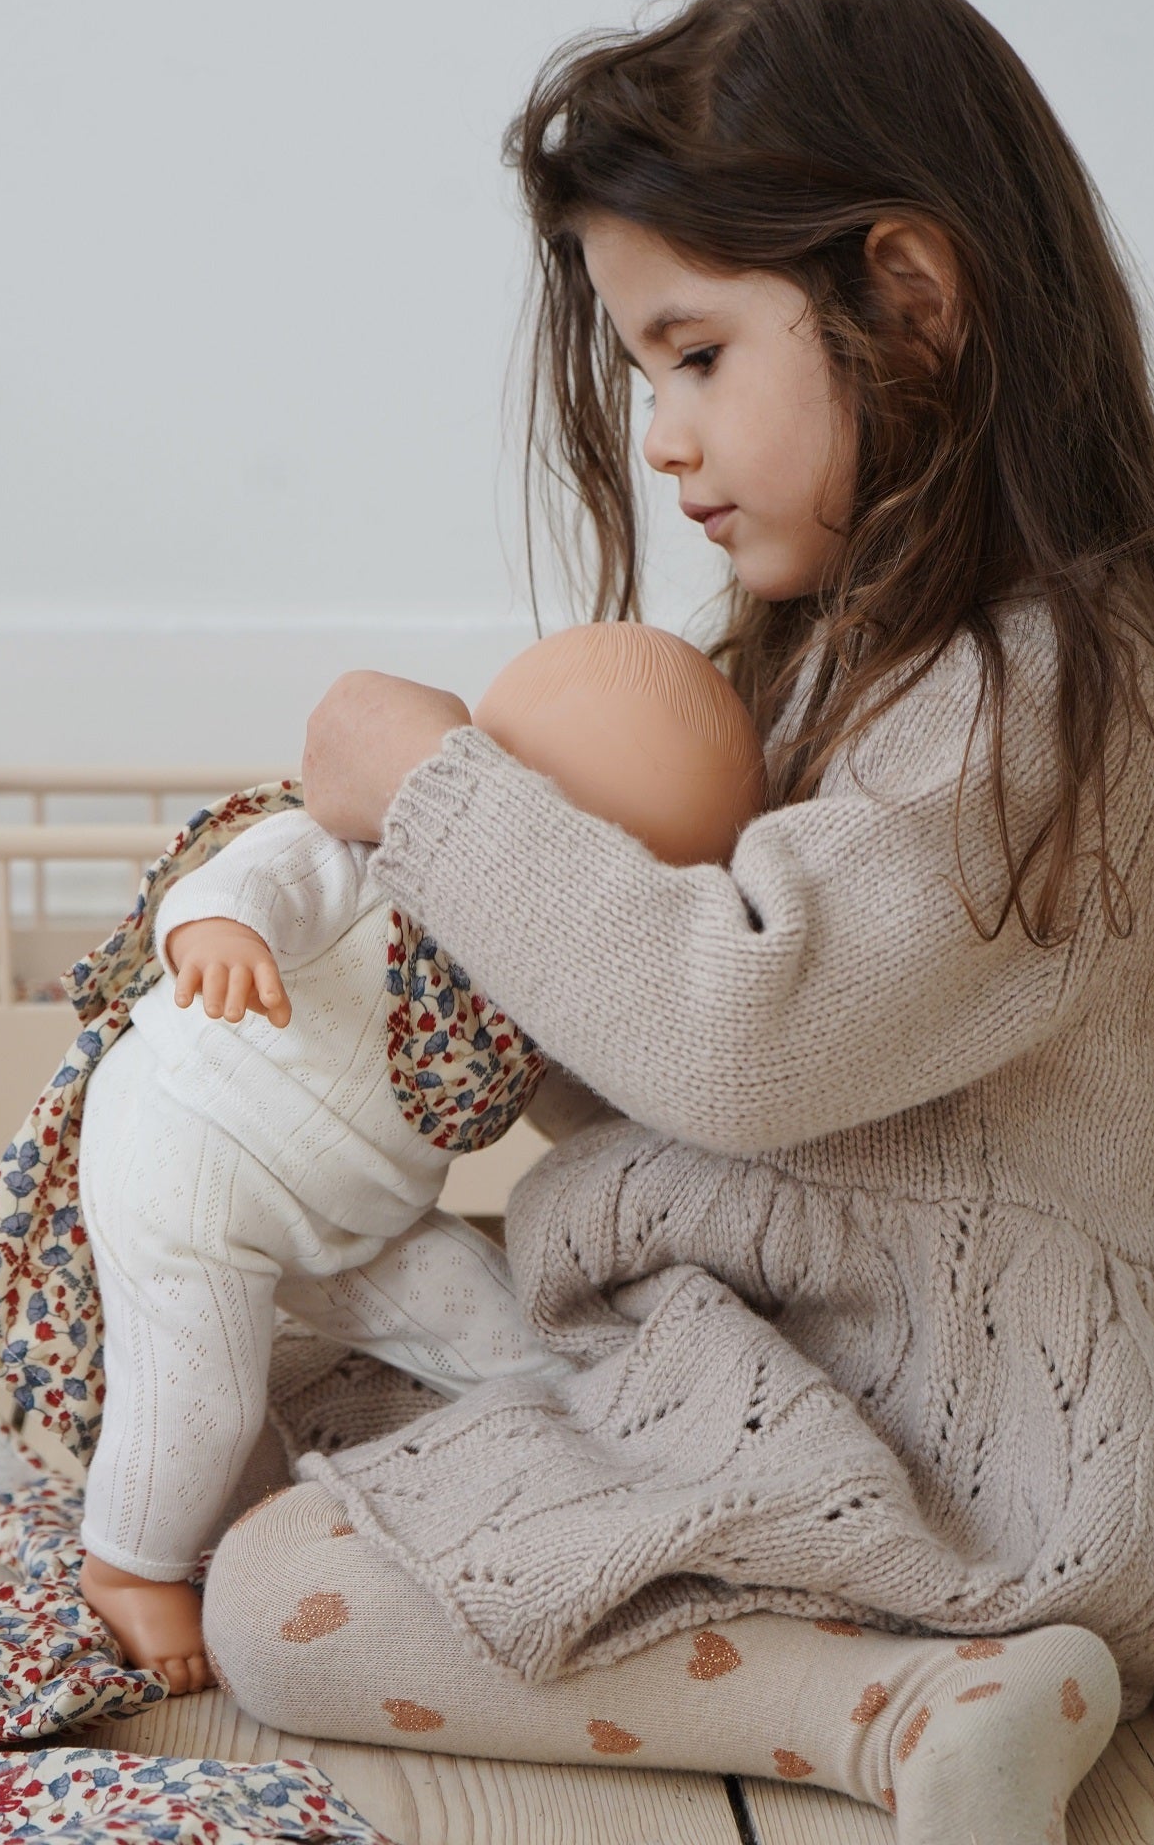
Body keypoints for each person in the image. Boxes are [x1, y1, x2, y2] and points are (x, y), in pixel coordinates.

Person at [195, 0, 1154, 1845]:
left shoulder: (1049, 687)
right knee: (281, 1417)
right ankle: (909, 1668)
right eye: (640, 372)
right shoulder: (831, 648)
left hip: (966, 1434)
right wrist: (437, 950)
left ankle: (901, 1704)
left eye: (695, 354)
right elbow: (664, 1063)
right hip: (781, 1355)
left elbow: (732, 1033)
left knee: (287, 1604)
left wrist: (446, 793)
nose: (661, 439)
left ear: (906, 296)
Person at [75, 621, 769, 1692]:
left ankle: (604, 1454)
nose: (592, 912)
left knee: (508, 1326)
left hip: (356, 1209)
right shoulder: (359, 859)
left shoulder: (536, 958)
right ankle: (126, 1562)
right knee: (197, 1388)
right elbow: (243, 877)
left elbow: (594, 1079)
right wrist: (216, 934)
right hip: (193, 1154)